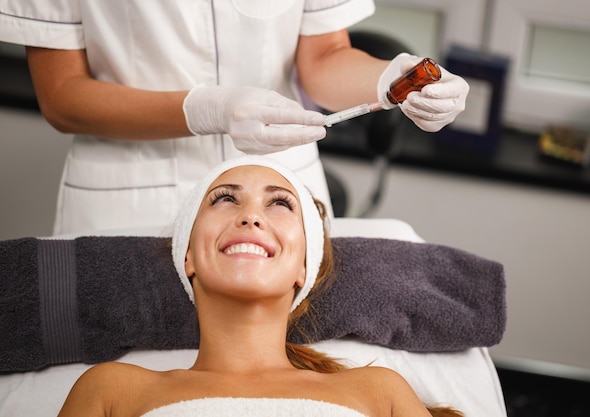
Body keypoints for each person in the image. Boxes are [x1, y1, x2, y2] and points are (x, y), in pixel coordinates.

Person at [0, 1, 469, 236]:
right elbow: (61, 96)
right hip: (130, 194)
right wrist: (206, 110)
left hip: (281, 178)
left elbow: (324, 57)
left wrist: (390, 78)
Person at [55, 155, 463, 417]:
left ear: (305, 267)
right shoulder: (111, 390)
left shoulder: (379, 391)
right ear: (189, 257)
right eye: (224, 199)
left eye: (280, 203)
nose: (251, 216)